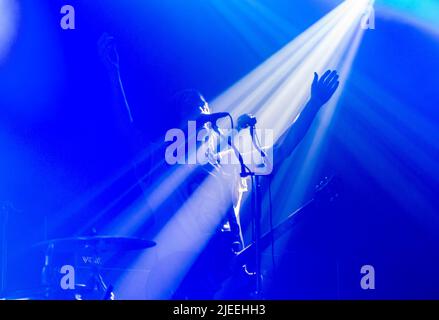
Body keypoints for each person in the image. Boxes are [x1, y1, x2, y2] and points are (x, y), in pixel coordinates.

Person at [98, 33, 340, 299]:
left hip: (225, 276)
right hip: (181, 275)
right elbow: (128, 130)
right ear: (179, 123)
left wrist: (313, 104)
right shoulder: (164, 163)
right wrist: (113, 74)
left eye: (202, 104)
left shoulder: (230, 157)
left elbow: (281, 150)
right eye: (191, 105)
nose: (200, 107)